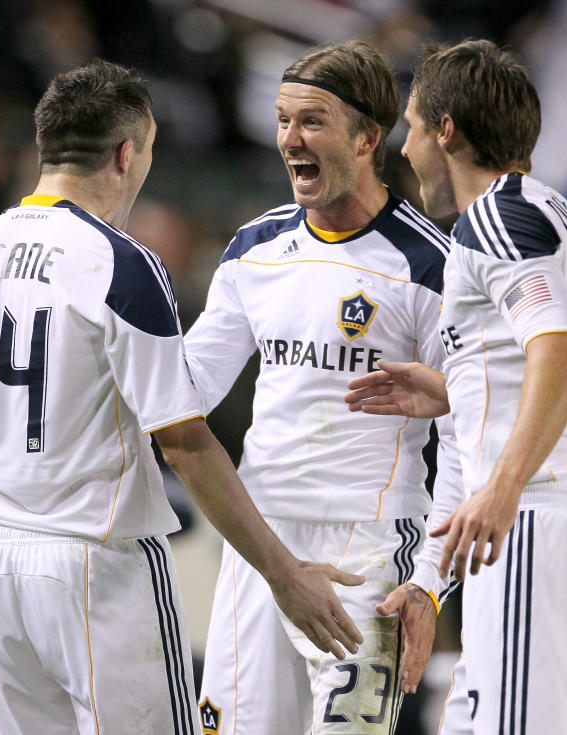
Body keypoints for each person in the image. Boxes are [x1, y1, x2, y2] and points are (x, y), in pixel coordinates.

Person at [0, 59, 366, 734]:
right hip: (95, 562)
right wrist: (282, 573)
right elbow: (186, 445)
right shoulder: (119, 263)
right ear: (127, 153)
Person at [345, 39, 567, 734]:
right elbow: (533, 372)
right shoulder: (564, 222)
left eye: (413, 127)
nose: (405, 148)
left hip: (536, 518)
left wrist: (504, 485)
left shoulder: (493, 219)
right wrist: (457, 392)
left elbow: (560, 354)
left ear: (445, 130)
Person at [184, 40, 454, 735]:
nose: (289, 140)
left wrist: (428, 580)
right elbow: (182, 394)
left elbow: (464, 439)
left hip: (365, 553)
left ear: (368, 136)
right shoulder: (254, 249)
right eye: (282, 120)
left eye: (311, 121)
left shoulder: (428, 265)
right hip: (259, 545)